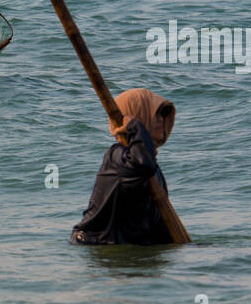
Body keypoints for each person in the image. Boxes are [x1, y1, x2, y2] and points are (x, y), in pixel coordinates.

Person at [71, 88, 178, 245]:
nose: (161, 120)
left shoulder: (151, 166)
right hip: (97, 245)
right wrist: (136, 127)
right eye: (156, 115)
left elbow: (158, 224)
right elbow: (142, 166)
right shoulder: (117, 158)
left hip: (128, 248)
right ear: (137, 116)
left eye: (163, 115)